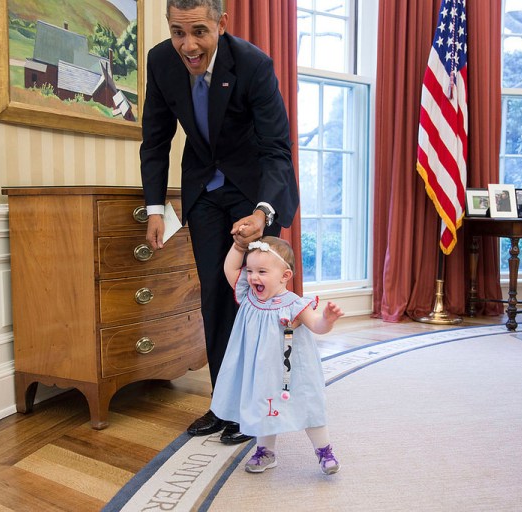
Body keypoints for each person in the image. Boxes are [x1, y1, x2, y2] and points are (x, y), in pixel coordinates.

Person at [140, 0, 300, 444]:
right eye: (177, 32)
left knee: (256, 298)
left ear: (220, 24)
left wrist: (263, 212)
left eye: (198, 32)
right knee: (215, 293)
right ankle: (224, 404)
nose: (188, 45)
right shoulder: (161, 61)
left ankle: (258, 405)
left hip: (254, 190)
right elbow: (154, 140)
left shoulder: (252, 65)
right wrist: (155, 209)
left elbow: (276, 149)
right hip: (204, 192)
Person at [210, 236, 343, 474]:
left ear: (285, 276)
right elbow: (230, 268)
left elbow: (317, 326)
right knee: (263, 406)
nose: (252, 277)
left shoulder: (294, 304)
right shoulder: (249, 297)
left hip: (291, 371)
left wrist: (327, 320)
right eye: (250, 270)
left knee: (308, 405)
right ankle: (266, 452)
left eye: (261, 271)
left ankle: (324, 451)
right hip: (259, 370)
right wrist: (238, 246)